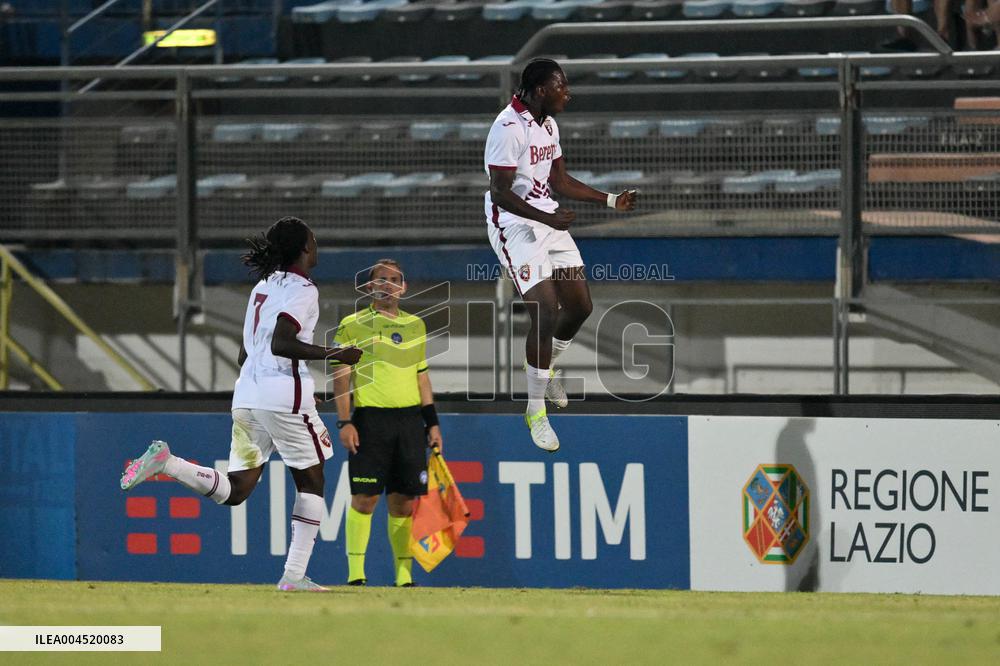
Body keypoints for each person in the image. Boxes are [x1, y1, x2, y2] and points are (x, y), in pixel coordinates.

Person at [120, 216, 363, 591]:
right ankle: (294, 576)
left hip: (248, 394)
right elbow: (282, 342)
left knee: (237, 490)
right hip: (281, 395)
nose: (316, 246)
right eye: (313, 240)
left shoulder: (263, 286)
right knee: (312, 481)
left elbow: (246, 352)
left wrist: (282, 390)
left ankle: (167, 462)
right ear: (303, 249)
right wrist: (336, 354)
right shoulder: (303, 289)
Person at [484, 58, 637, 452]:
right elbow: (501, 193)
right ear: (540, 91)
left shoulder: (548, 124)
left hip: (546, 218)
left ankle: (545, 365)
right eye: (561, 87)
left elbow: (559, 180)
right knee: (545, 309)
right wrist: (547, 217)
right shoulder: (506, 127)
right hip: (514, 225)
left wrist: (610, 199)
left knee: (581, 306)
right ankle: (535, 410)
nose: (567, 93)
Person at [330, 258, 443, 587]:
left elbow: (422, 377)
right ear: (369, 287)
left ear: (404, 287)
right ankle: (355, 574)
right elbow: (341, 375)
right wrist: (344, 422)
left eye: (395, 279)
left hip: (409, 422)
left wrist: (432, 423)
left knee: (404, 502)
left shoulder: (416, 325)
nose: (388, 285)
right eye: (381, 279)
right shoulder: (352, 324)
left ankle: (404, 576)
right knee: (365, 498)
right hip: (370, 420)